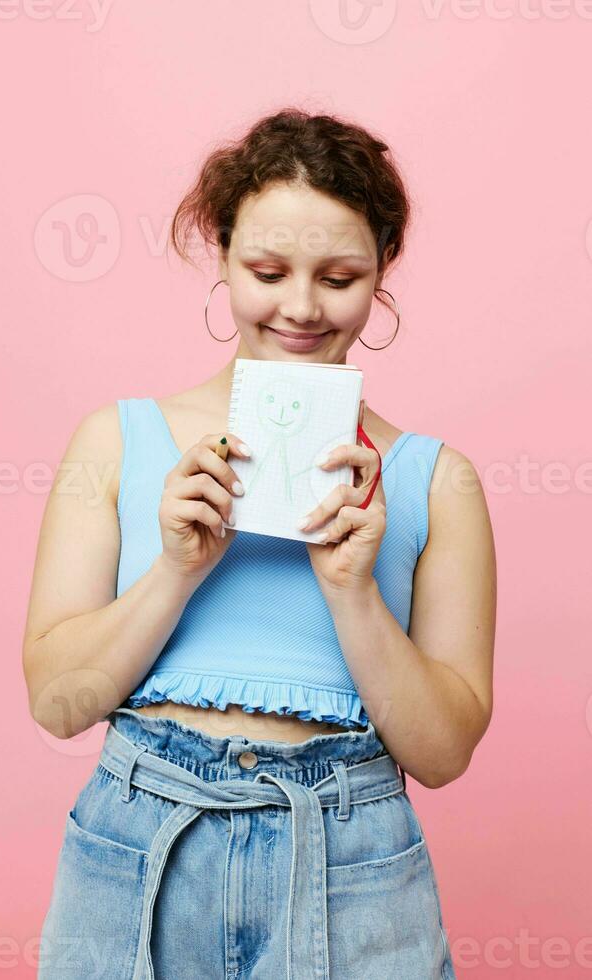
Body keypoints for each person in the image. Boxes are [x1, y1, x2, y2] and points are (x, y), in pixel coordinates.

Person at [25, 108, 496, 979]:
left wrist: (354, 590)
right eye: (268, 271)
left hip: (349, 856)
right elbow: (57, 705)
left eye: (341, 275)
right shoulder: (118, 441)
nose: (302, 307)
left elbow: (442, 753)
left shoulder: (439, 481)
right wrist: (176, 567)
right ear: (224, 259)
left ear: (382, 272)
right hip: (141, 844)